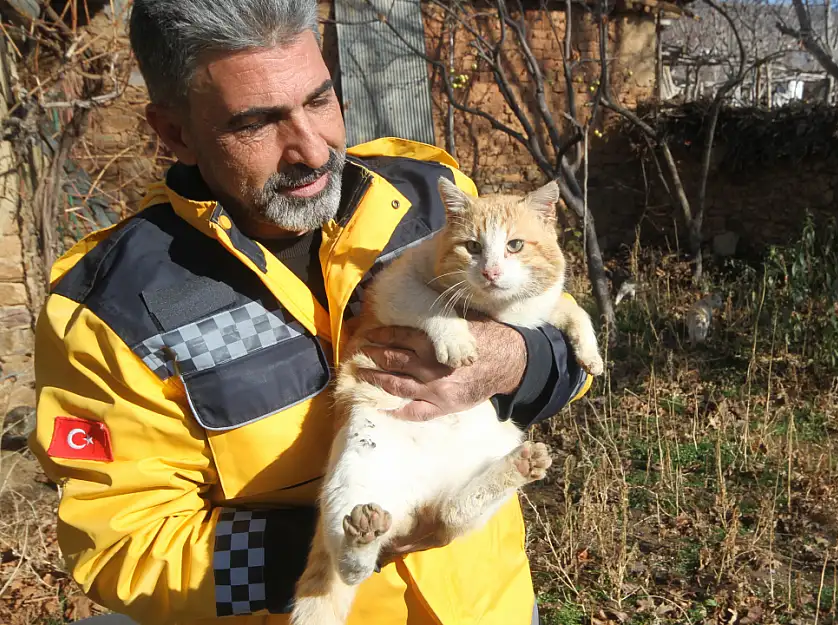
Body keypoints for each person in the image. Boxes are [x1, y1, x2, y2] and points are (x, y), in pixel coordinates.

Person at [28, 1, 593, 623]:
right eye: (256, 124)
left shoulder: (427, 198)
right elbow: (124, 548)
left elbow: (563, 351)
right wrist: (348, 536)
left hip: (492, 606)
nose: (310, 150)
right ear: (174, 133)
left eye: (321, 101)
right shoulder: (109, 307)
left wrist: (516, 361)